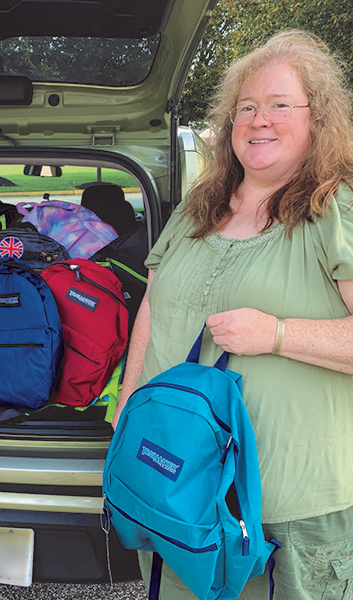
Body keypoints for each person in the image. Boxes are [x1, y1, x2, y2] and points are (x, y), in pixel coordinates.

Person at [111, 30, 353, 599]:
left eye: (278, 105)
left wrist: (275, 334)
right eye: (246, 107)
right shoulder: (198, 207)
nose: (258, 119)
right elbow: (153, 302)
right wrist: (126, 406)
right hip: (185, 491)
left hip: (289, 509)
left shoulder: (332, 209)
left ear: (317, 118)